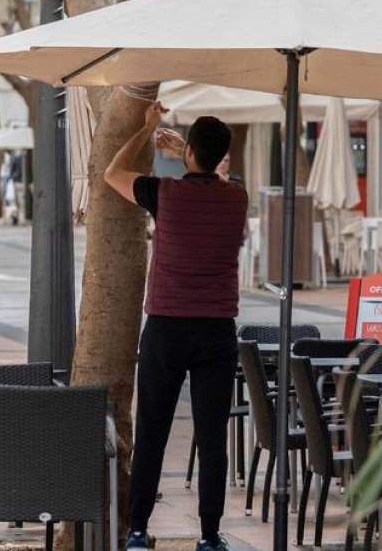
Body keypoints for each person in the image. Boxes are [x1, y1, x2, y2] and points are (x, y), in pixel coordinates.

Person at [105, 104, 247, 551]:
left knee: (152, 432)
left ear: (188, 153)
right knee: (212, 439)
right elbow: (217, 179)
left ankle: (136, 530)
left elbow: (112, 173)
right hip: (216, 332)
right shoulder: (237, 197)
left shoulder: (163, 193)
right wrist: (191, 151)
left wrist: (147, 128)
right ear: (221, 155)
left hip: (166, 328)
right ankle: (209, 535)